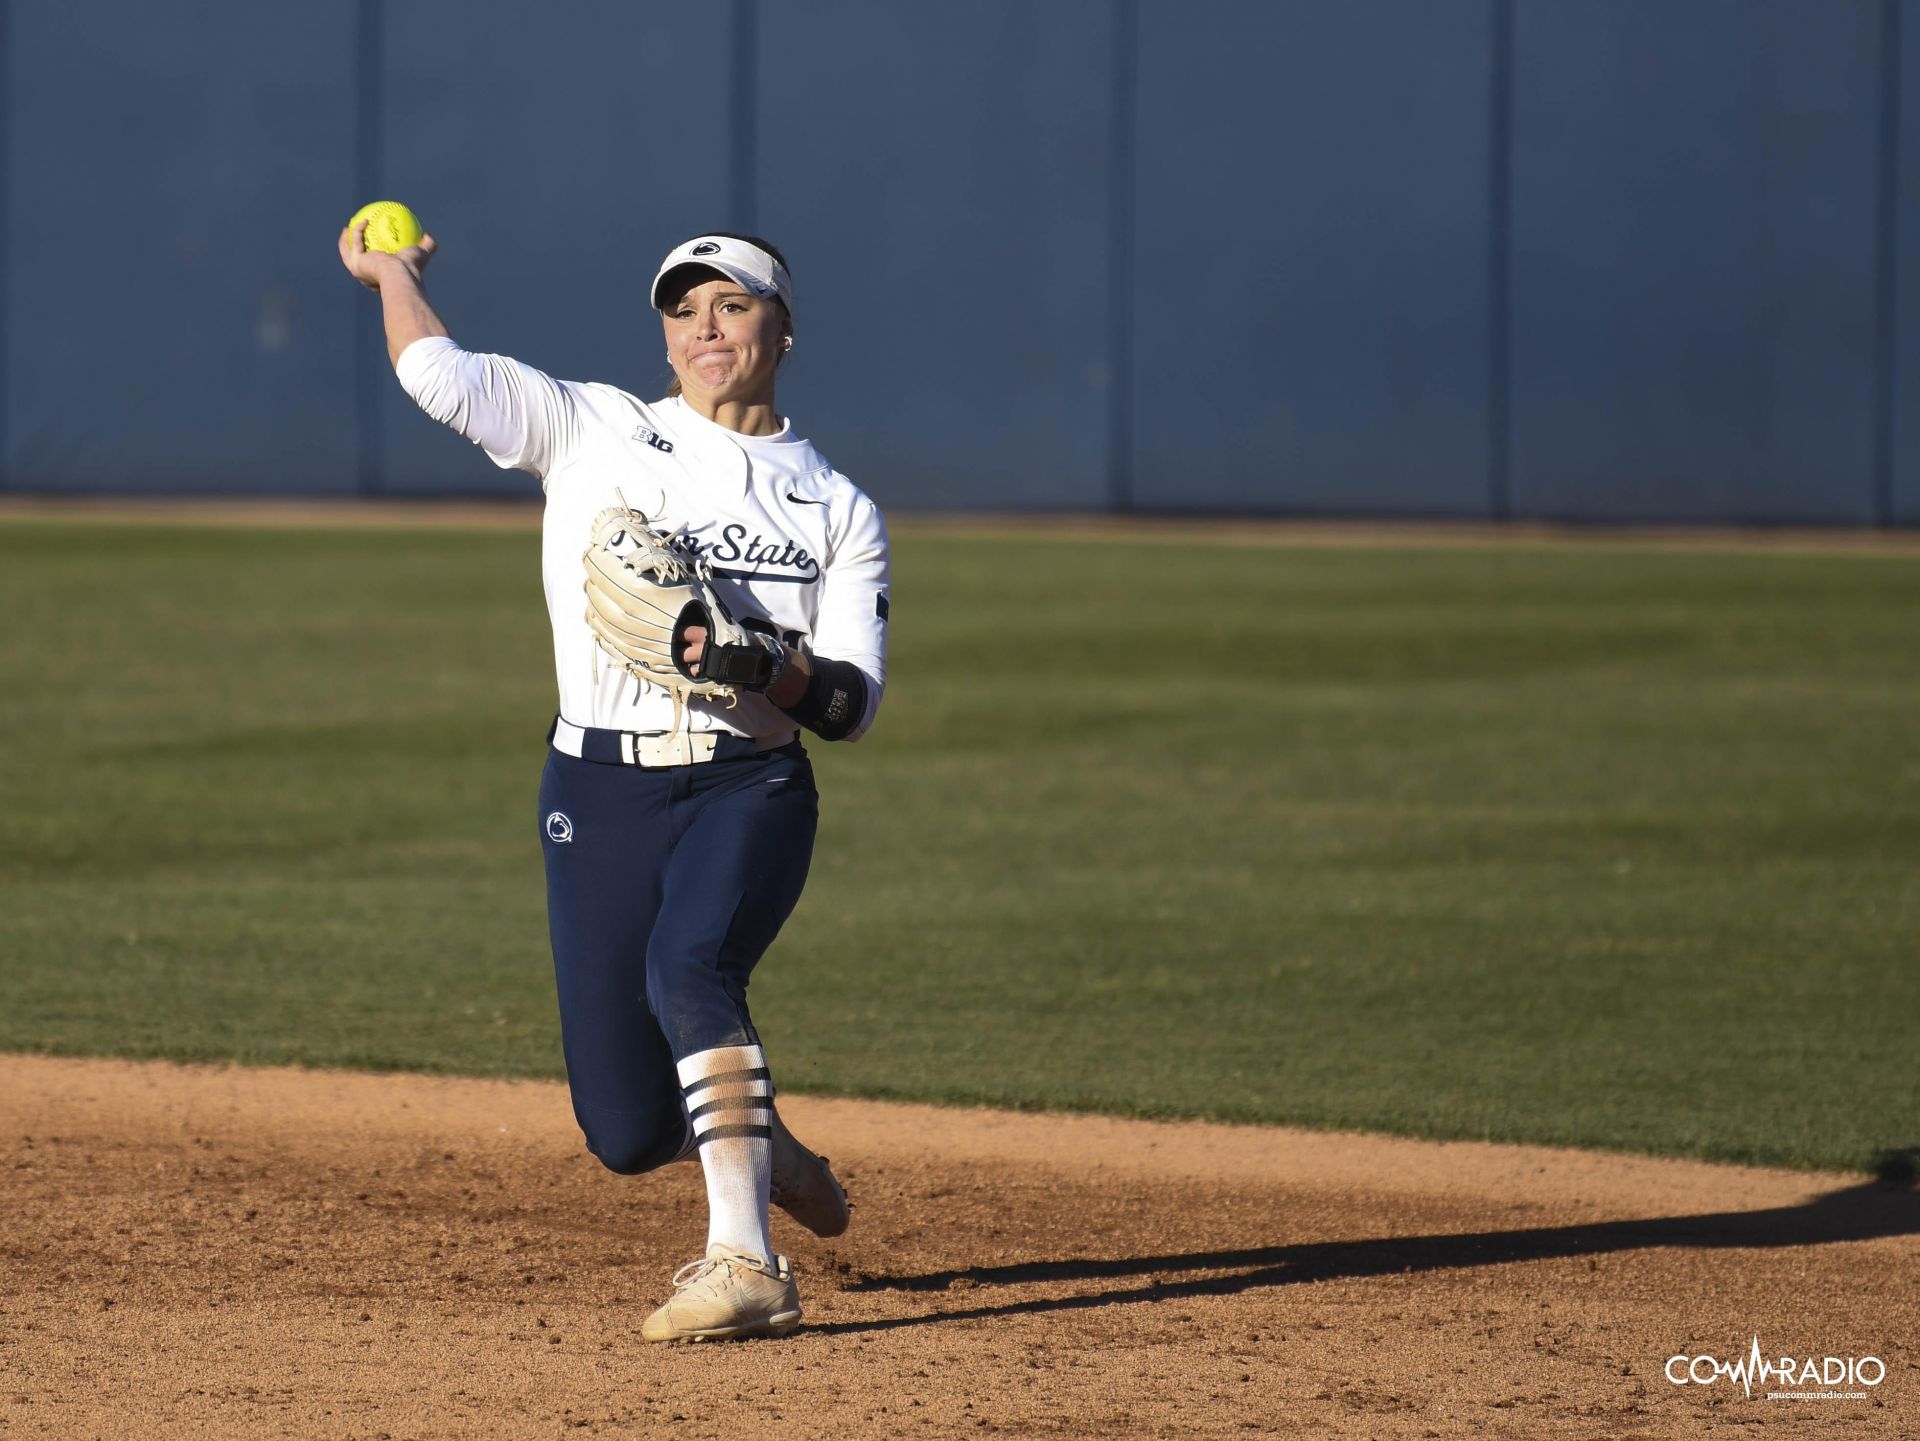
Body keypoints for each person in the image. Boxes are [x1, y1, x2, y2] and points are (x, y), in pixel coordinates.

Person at [337, 220, 890, 1342]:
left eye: (730, 304)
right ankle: (759, 1140)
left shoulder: (838, 508)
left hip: (748, 787)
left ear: (782, 324)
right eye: (684, 309)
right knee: (627, 1130)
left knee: (690, 964)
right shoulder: (595, 426)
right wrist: (395, 275)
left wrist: (762, 664)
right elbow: (432, 374)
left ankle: (746, 1261)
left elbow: (850, 706)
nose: (704, 327)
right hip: (594, 792)